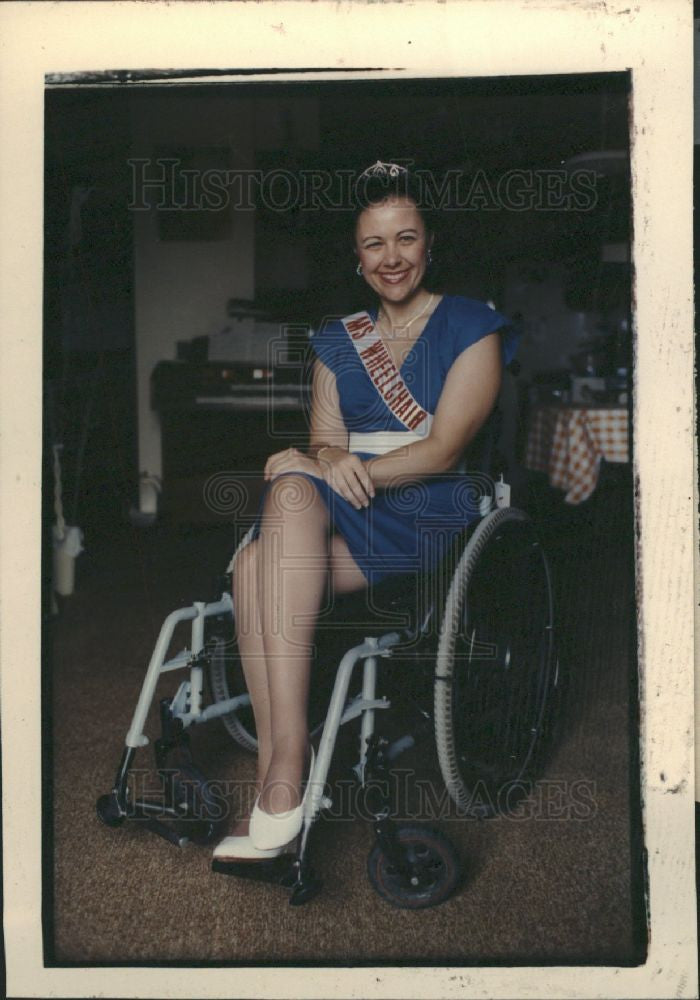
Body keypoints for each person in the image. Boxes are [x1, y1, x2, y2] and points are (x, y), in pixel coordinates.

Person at [213, 161, 518, 862]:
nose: (392, 258)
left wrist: (337, 469)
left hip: (427, 505)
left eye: (405, 238)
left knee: (264, 555)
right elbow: (326, 439)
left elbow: (442, 450)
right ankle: (283, 766)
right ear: (357, 258)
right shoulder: (339, 339)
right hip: (341, 502)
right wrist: (314, 459)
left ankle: (281, 775)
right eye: (375, 244)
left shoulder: (473, 327)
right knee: (272, 525)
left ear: (428, 243)